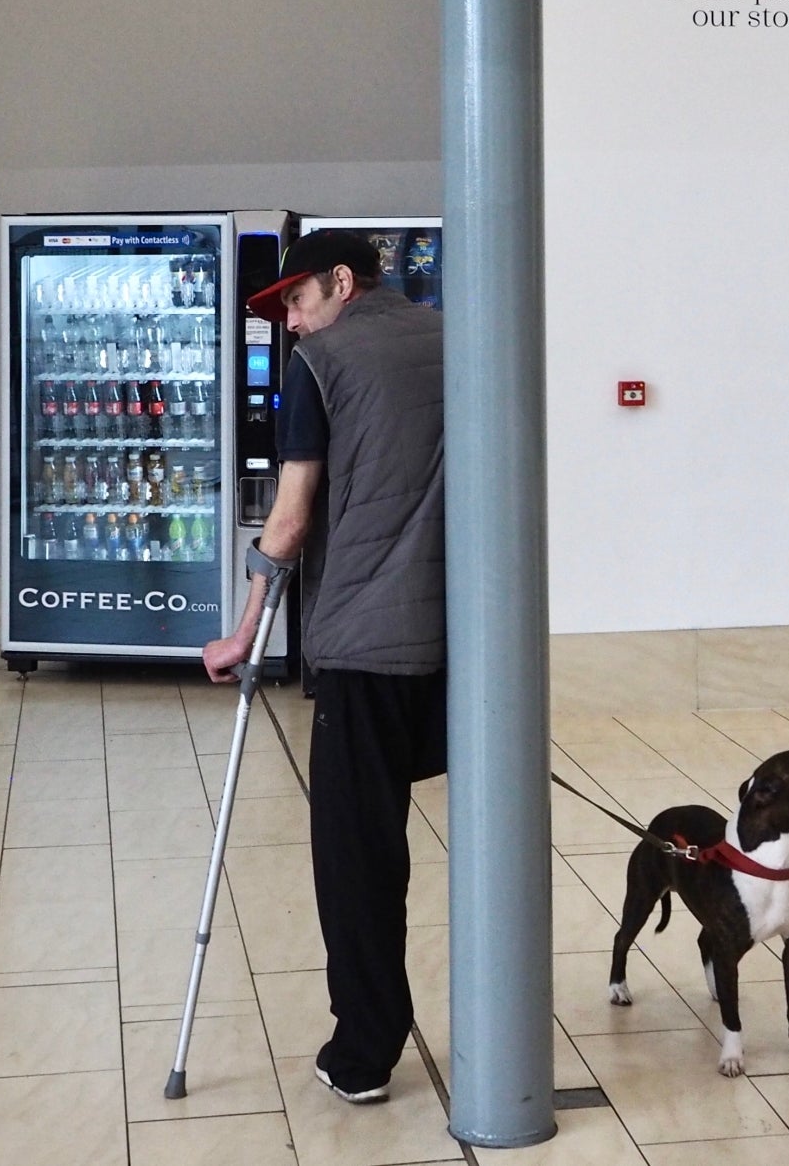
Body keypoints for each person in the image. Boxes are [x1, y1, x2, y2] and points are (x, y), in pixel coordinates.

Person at [202, 228, 445, 1105]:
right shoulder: (455, 337)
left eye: (297, 302)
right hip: (466, 647)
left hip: (366, 646)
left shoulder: (322, 365)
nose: (293, 327)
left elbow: (293, 518)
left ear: (341, 282)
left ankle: (364, 1052)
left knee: (358, 856)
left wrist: (241, 634)